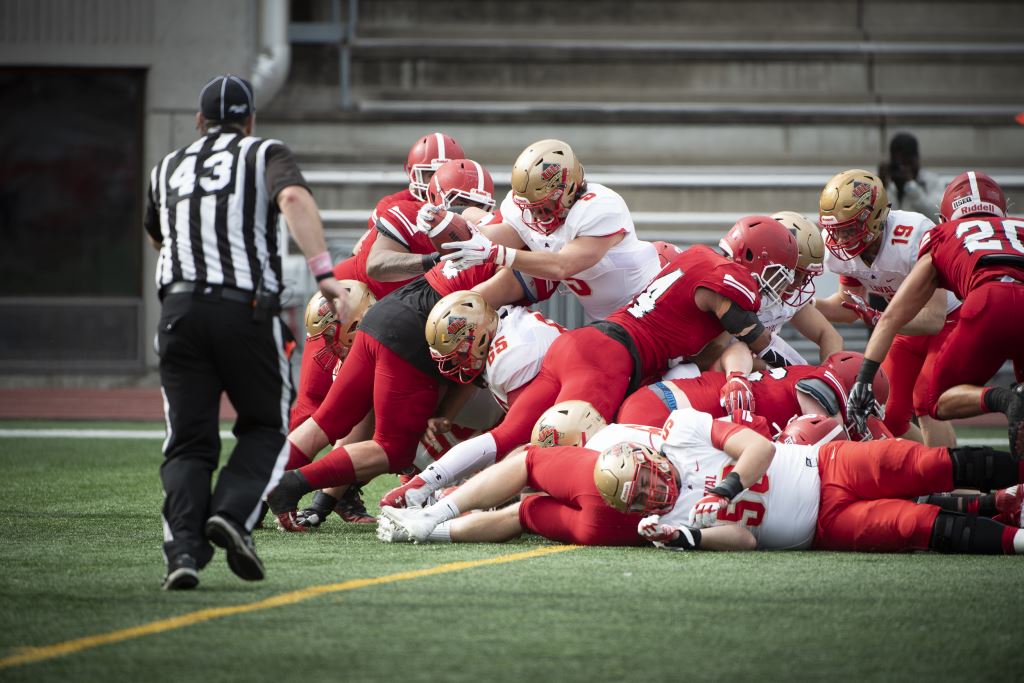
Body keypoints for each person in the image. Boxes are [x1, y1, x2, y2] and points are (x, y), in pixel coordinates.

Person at [378, 216, 798, 508]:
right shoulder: (726, 280)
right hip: (610, 360)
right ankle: (452, 504)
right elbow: (749, 332)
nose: (780, 283)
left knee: (509, 435)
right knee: (548, 451)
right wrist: (784, 364)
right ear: (752, 258)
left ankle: (421, 485)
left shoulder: (697, 260)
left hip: (584, 344)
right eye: (779, 271)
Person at [144, 74, 347, 590]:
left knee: (187, 443)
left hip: (179, 311)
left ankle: (184, 552)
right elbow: (295, 201)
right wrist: (324, 273)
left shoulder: (165, 167)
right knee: (266, 426)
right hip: (244, 310)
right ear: (250, 120)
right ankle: (232, 515)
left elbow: (157, 235)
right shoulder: (263, 152)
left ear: (198, 121)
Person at [846, 171, 1024, 457]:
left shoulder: (941, 236)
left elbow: (893, 316)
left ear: (944, 219)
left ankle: (1004, 398)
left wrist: (864, 378)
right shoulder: (1019, 227)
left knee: (934, 401)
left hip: (988, 303)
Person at [437, 138, 661, 321]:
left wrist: (496, 253)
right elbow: (493, 237)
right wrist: (443, 224)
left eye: (544, 206)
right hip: (612, 320)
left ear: (570, 187)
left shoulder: (600, 207)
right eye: (530, 207)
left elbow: (562, 266)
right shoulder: (525, 210)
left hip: (652, 304)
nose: (535, 215)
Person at [813, 168, 958, 447]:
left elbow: (934, 318)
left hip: (951, 319)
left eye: (849, 229)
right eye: (836, 231)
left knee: (925, 399)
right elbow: (847, 307)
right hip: (902, 322)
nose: (841, 240)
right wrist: (804, 305)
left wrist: (881, 317)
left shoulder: (912, 235)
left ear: (875, 218)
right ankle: (932, 465)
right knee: (887, 414)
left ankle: (952, 480)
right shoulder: (843, 253)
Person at [616, 350, 890, 440]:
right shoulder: (822, 386)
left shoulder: (803, 374)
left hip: (658, 403)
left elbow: (738, 349)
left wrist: (737, 376)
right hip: (664, 413)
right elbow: (824, 442)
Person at [878, 132, 944, 224]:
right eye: (898, 163)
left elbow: (939, 217)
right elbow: (878, 220)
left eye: (906, 162)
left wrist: (910, 185)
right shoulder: (888, 183)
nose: (903, 168)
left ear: (916, 159)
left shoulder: (931, 182)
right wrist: (881, 188)